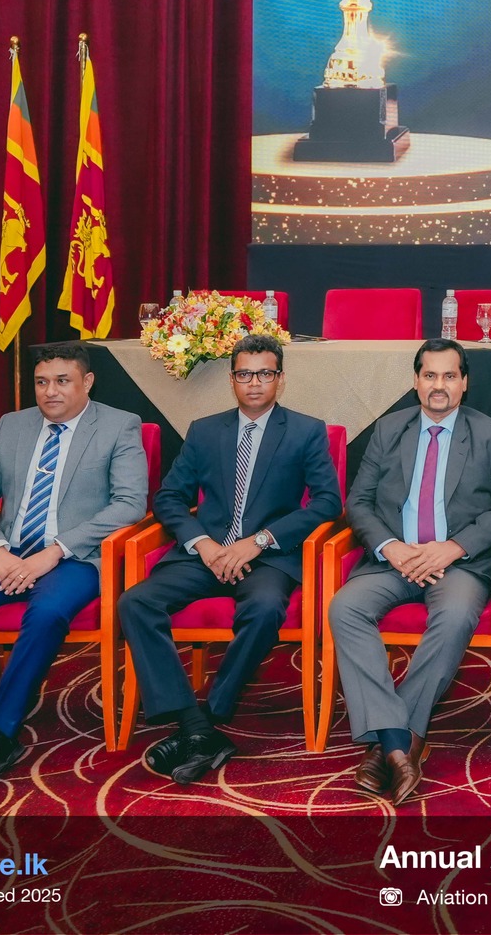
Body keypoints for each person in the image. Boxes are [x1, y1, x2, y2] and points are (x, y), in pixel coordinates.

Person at [0, 341, 148, 793]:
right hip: (8, 554)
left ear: (87, 382)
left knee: (47, 612)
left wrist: (56, 550)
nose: (49, 392)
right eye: (41, 382)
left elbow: (130, 504)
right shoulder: (13, 425)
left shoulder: (119, 425)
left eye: (62, 381)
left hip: (74, 557)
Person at [119, 335, 340, 783]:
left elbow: (327, 502)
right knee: (134, 602)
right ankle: (194, 725)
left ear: (280, 378)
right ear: (232, 379)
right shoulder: (204, 430)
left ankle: (210, 714)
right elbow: (169, 497)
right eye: (244, 374)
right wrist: (202, 543)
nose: (254, 383)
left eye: (264, 373)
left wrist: (259, 540)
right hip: (206, 553)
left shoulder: (305, 430)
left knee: (265, 608)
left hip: (266, 557)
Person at [331, 338, 491, 804]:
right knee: (344, 609)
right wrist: (391, 547)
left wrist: (453, 548)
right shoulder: (388, 430)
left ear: (465, 382)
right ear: (416, 381)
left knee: (455, 616)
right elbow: (357, 502)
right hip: (393, 560)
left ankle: (390, 741)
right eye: (430, 375)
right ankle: (400, 743)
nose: (440, 385)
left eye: (449, 376)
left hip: (458, 564)